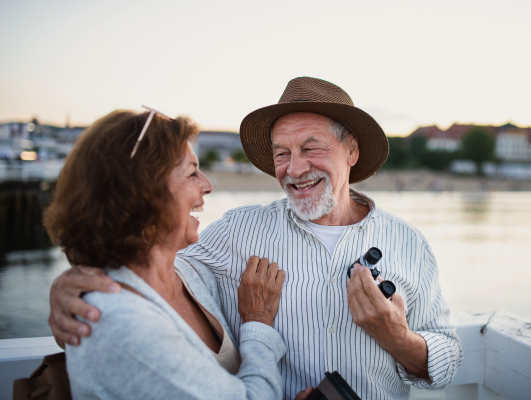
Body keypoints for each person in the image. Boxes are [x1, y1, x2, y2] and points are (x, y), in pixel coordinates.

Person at [48, 77, 463, 400]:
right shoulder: (236, 232)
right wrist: (74, 283)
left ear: (351, 150)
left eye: (310, 147)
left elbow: (450, 355)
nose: (294, 168)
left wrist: (400, 340)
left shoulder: (411, 245)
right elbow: (149, 268)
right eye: (281, 153)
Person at [43, 109, 307, 399]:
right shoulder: (122, 321)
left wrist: (65, 284)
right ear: (142, 195)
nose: (207, 185)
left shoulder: (187, 272)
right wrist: (257, 323)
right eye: (192, 172)